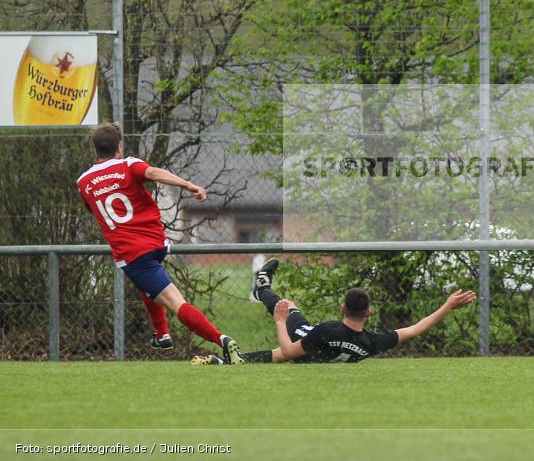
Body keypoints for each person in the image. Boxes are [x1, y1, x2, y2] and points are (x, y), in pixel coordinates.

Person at [77, 122, 244, 363]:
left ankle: (223, 342)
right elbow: (153, 173)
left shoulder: (83, 182)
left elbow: (93, 208)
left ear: (95, 149)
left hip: (133, 254)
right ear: (119, 147)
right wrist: (188, 185)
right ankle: (162, 334)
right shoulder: (128, 165)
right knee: (150, 287)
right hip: (155, 243)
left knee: (177, 303)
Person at [192, 258, 476, 365]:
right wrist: (447, 306)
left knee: (288, 307)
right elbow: (416, 329)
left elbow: (290, 352)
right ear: (369, 313)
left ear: (343, 308)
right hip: (319, 355)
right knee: (283, 352)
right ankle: (228, 362)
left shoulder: (327, 330)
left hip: (311, 348)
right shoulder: (372, 342)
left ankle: (260, 289)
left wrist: (280, 322)